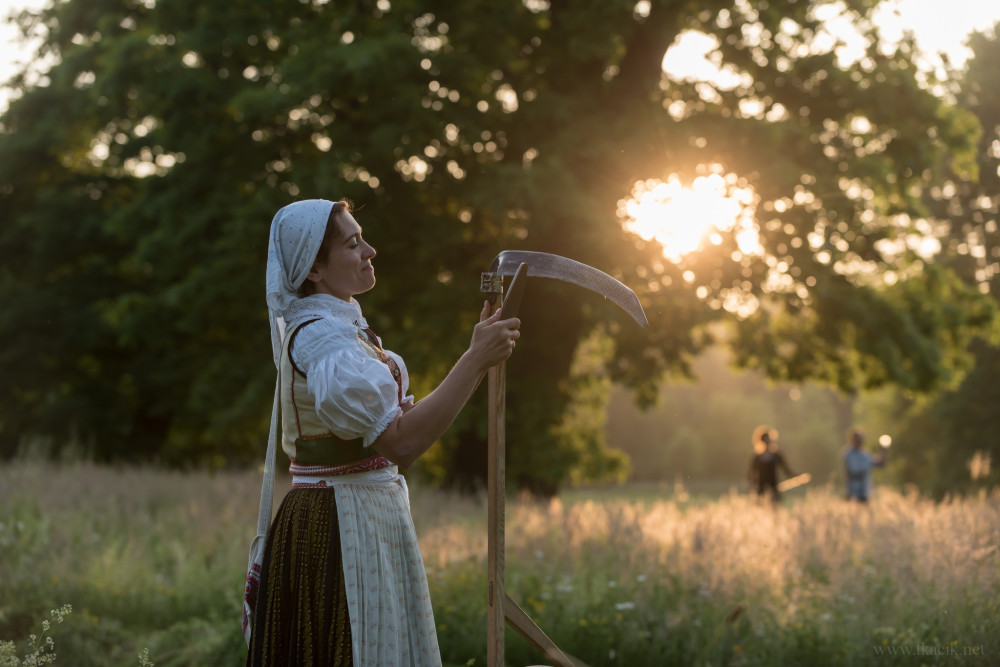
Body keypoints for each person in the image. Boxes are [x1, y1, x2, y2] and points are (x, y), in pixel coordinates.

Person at [246, 198, 521, 666]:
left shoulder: (342, 328)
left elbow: (401, 432)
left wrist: (479, 359)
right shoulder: (320, 337)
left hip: (365, 513)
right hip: (337, 523)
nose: (370, 250)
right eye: (353, 244)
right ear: (313, 268)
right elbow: (402, 442)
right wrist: (474, 360)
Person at [747, 425, 797, 504]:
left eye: (768, 440)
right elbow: (751, 474)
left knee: (775, 510)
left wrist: (796, 476)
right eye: (765, 440)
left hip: (774, 488)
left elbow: (786, 470)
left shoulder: (776, 455)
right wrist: (752, 486)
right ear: (761, 441)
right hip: (761, 490)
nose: (767, 442)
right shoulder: (757, 457)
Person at [844, 427, 886, 503]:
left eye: (861, 439)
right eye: (858, 439)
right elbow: (854, 470)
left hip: (865, 493)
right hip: (853, 493)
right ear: (853, 440)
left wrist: (883, 451)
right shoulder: (848, 454)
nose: (860, 441)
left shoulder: (865, 454)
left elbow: (879, 464)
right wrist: (868, 465)